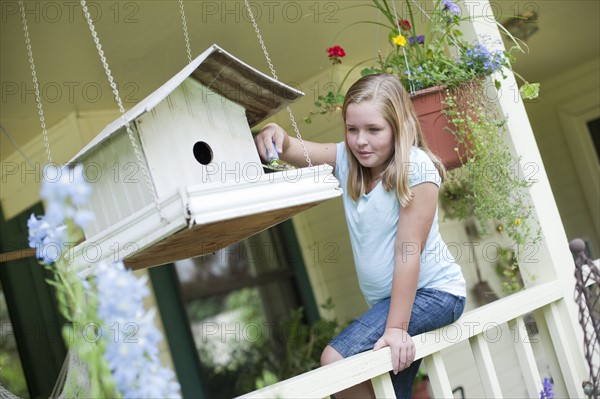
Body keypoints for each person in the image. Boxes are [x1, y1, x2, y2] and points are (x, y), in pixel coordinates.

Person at [255, 73, 466, 398]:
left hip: (434, 294)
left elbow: (407, 252)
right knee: (387, 392)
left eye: (373, 130)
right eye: (352, 129)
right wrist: (275, 135)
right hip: (391, 303)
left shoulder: (416, 168)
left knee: (335, 361)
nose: (361, 140)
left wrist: (395, 329)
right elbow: (294, 149)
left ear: (399, 126)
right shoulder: (347, 161)